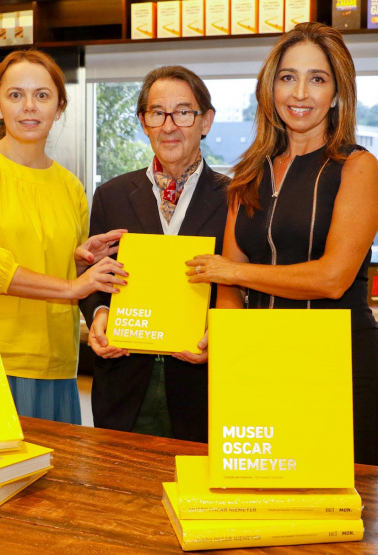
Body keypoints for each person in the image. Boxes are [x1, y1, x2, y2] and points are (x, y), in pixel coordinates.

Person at [186, 23, 378, 466]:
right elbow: (225, 285)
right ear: (270, 88)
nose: (300, 93)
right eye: (287, 77)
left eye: (317, 79)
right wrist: (228, 342)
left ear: (337, 93)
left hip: (334, 359)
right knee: (257, 493)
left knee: (338, 498)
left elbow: (333, 278)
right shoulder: (248, 173)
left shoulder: (358, 167)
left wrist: (233, 272)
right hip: (257, 358)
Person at [0, 50, 127, 425]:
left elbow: (47, 258)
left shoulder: (70, 187)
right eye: (15, 95)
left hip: (53, 360)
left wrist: (79, 256)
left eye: (42, 95)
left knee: (53, 479)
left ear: (59, 106)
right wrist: (73, 285)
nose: (29, 107)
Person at [81, 66, 230, 442]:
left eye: (183, 112)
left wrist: (225, 331)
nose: (169, 125)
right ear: (143, 122)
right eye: (156, 113)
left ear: (206, 121)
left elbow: (244, 280)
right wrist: (99, 314)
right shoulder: (111, 195)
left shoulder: (237, 199)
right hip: (125, 380)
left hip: (203, 382)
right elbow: (96, 275)